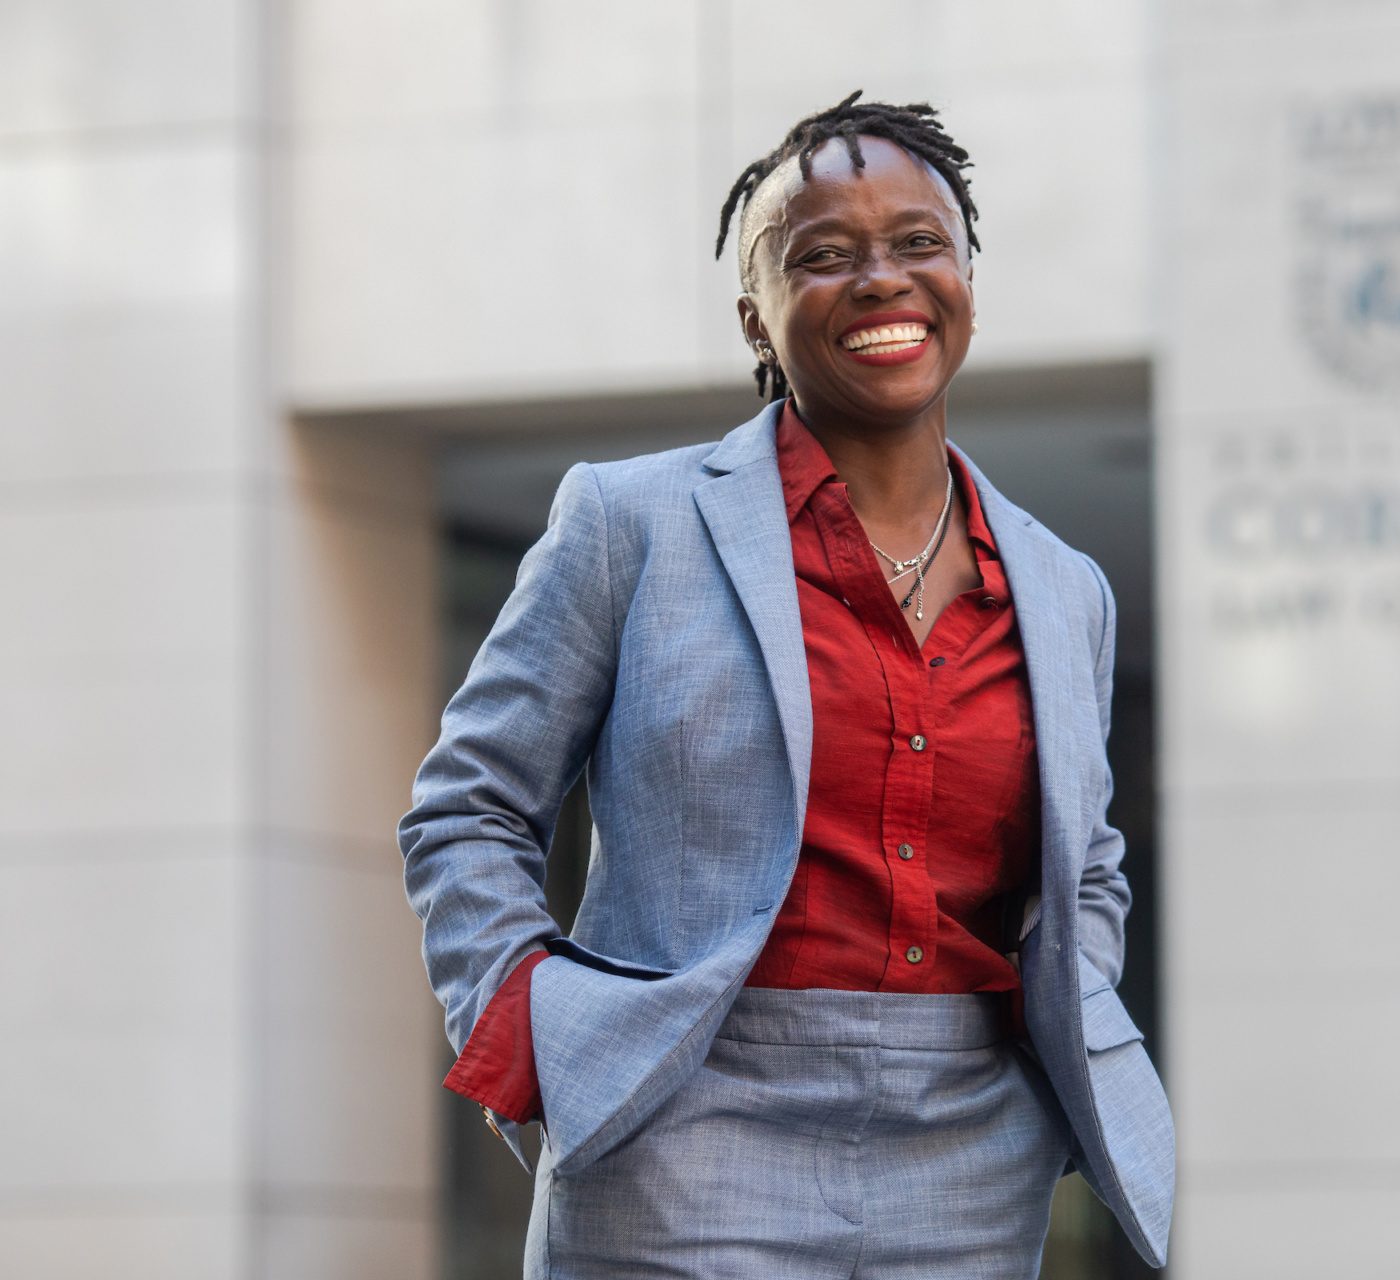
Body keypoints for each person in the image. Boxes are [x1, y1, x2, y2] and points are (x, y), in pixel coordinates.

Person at [397, 90, 1174, 1278]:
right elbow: (468, 805)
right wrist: (541, 1033)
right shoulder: (628, 523)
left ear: (968, 277)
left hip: (970, 1151)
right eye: (821, 254)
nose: (880, 277)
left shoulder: (1065, 587)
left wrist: (1066, 1012)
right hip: (681, 1125)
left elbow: (1090, 860)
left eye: (919, 241)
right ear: (755, 316)